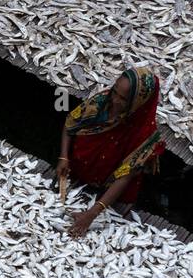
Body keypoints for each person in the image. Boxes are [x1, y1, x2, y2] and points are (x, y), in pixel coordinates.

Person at [57, 66, 166, 238]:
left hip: (112, 188)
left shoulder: (145, 136)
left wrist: (92, 214)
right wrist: (63, 157)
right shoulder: (101, 101)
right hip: (81, 169)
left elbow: (125, 176)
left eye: (123, 99)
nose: (114, 100)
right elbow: (70, 123)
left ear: (137, 102)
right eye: (115, 91)